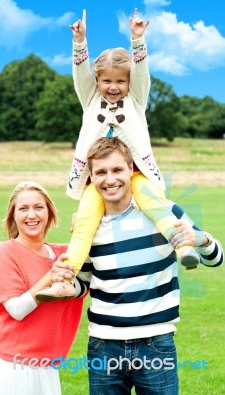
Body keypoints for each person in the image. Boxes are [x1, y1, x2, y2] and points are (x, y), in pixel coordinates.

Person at [36, 8, 200, 302]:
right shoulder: (90, 98)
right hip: (97, 179)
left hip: (135, 172)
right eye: (106, 81)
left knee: (154, 203)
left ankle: (183, 246)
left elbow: (142, 73)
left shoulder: (136, 98)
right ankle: (66, 277)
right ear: (97, 81)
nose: (113, 87)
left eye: (120, 82)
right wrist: (80, 41)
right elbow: (79, 72)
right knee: (85, 221)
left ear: (129, 83)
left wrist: (138, 38)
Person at [50, 137, 224, 395]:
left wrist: (201, 239)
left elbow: (216, 259)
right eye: (101, 172)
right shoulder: (87, 226)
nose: (110, 179)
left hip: (156, 344)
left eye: (117, 170)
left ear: (131, 169)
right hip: (103, 346)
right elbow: (83, 283)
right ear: (91, 178)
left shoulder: (165, 212)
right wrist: (65, 281)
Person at [0, 181, 86, 395]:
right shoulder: (5, 252)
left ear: (49, 213)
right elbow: (16, 309)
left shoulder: (65, 254)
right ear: (13, 216)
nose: (31, 214)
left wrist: (83, 227)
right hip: (10, 365)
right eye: (23, 209)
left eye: (38, 207)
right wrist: (49, 277)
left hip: (47, 365)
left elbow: (88, 281)